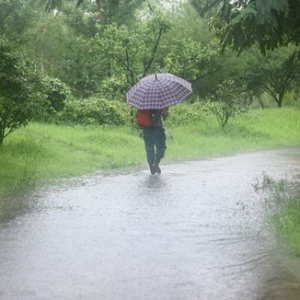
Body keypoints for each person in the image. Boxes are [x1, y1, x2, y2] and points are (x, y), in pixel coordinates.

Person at [142, 107, 169, 175]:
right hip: (157, 129)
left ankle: (152, 168)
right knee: (161, 147)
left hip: (146, 129)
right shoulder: (160, 100)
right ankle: (156, 163)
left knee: (149, 149)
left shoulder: (143, 101)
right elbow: (165, 114)